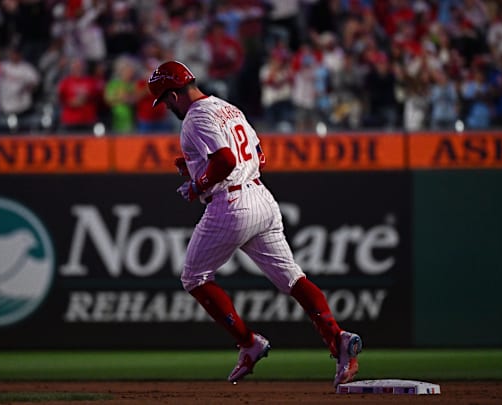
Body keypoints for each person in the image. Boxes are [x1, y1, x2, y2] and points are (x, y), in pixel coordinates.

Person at [147, 60, 362, 386]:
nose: (166, 107)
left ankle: (248, 343)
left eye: (164, 100)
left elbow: (226, 160)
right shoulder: (227, 107)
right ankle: (338, 338)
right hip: (262, 197)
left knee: (194, 277)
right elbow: (258, 155)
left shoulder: (193, 117)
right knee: (293, 278)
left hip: (231, 205)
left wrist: (196, 185)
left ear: (174, 95)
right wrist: (195, 165)